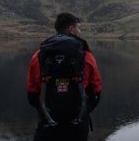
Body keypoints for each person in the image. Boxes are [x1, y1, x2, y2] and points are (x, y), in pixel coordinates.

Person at [27, 12, 102, 141]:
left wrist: (44, 112)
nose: (79, 31)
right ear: (71, 29)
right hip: (77, 124)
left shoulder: (39, 56)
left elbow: (32, 92)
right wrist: (83, 112)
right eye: (78, 28)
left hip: (48, 122)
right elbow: (96, 90)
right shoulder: (86, 56)